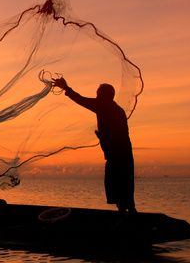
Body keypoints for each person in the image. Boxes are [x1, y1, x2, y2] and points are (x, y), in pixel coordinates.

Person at [52, 77, 136, 213]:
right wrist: (103, 136)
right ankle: (129, 215)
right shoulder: (116, 109)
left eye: (98, 95)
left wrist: (66, 88)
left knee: (117, 185)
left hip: (117, 154)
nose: (96, 97)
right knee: (125, 186)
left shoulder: (104, 106)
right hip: (124, 153)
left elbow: (81, 100)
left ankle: (126, 218)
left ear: (105, 96)